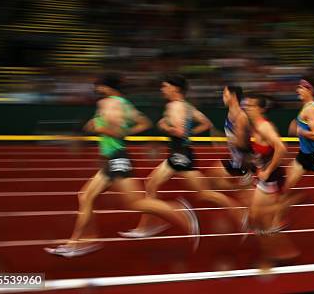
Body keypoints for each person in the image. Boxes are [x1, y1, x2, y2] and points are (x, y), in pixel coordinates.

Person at [45, 73, 197, 257]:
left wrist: (100, 128)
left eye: (98, 86)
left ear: (106, 87)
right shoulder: (124, 103)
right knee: (85, 196)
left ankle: (178, 210)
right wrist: (106, 129)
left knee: (135, 202)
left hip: (117, 158)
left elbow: (115, 131)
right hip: (112, 158)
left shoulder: (109, 103)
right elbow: (143, 122)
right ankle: (83, 241)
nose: (95, 89)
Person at [119, 75, 245, 239]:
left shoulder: (174, 106)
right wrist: (188, 133)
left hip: (179, 154)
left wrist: (165, 126)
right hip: (183, 152)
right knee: (200, 193)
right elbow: (206, 123)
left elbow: (178, 131)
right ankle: (148, 225)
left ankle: (158, 221)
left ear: (175, 88)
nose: (162, 89)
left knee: (155, 185)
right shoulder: (187, 106)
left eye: (165, 86)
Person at [243, 94, 299, 265]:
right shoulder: (256, 126)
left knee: (261, 220)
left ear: (261, 109)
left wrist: (267, 170)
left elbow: (282, 148)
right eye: (246, 105)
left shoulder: (264, 127)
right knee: (256, 217)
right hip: (265, 178)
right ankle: (282, 253)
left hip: (271, 178)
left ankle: (283, 255)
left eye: (251, 105)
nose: (247, 108)